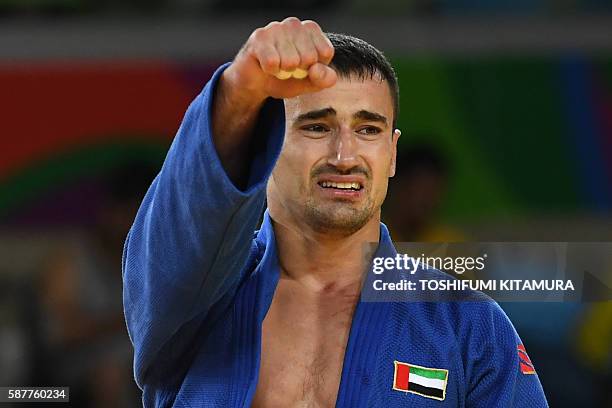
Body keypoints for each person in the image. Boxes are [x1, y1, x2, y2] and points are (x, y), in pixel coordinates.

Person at [122, 17, 548, 407]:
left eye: (368, 129)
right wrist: (240, 92)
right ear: (267, 145)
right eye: (316, 127)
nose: (345, 155)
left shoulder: (467, 325)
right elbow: (183, 225)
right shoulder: (197, 299)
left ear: (392, 153)